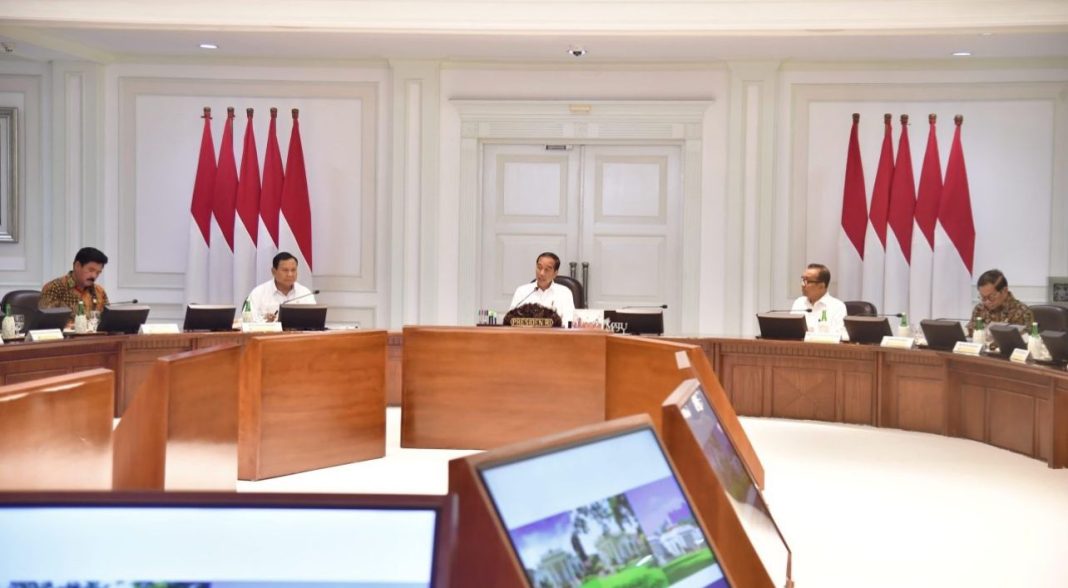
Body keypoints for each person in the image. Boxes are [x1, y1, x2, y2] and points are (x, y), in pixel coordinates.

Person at [39, 247, 110, 323]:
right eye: (91, 270)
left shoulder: (99, 291)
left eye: (98, 272)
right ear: (77, 266)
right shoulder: (55, 288)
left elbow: (109, 320)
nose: (94, 276)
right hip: (66, 334)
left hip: (95, 334)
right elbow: (45, 323)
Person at [508, 252, 575, 327]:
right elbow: (511, 320)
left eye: (547, 269)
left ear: (555, 273)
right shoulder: (522, 291)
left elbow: (568, 323)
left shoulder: (565, 293)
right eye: (539, 268)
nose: (541, 273)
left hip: (555, 337)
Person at [245, 251, 316, 322]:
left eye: (293, 270)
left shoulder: (305, 293)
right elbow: (246, 318)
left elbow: (314, 319)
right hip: (269, 332)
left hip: (299, 332)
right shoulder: (258, 293)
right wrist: (264, 320)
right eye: (285, 270)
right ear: (273, 271)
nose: (290, 274)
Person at [967, 269, 1034, 335]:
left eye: (991, 296)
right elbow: (971, 335)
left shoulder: (1022, 311)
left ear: (1004, 290)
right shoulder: (979, 309)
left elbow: (1027, 342)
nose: (987, 302)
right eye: (983, 297)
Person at [790, 263, 847, 335]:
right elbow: (791, 332)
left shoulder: (837, 306)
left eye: (807, 281)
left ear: (821, 286)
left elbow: (838, 336)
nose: (802, 284)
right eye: (802, 279)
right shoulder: (799, 303)